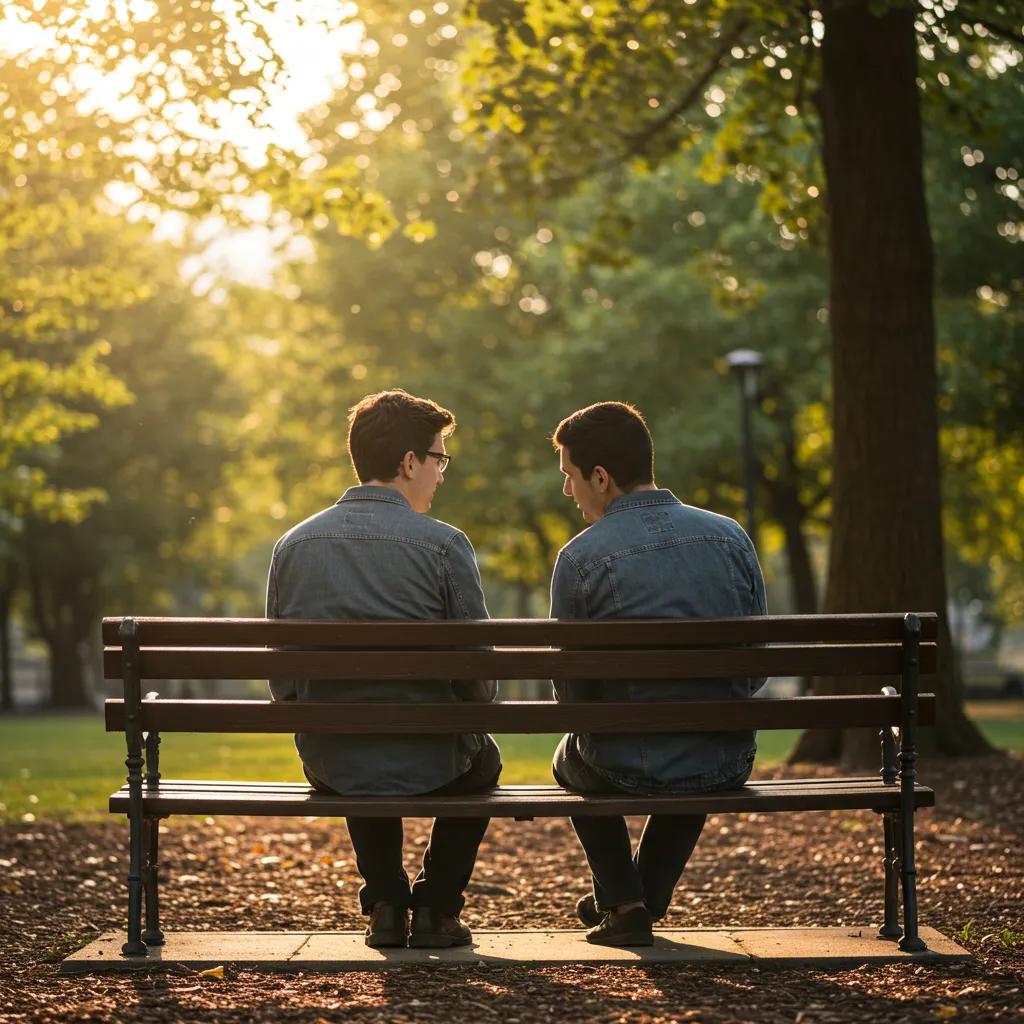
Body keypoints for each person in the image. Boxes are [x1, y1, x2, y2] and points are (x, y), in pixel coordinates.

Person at [266, 389, 500, 949]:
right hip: (436, 759)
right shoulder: (445, 545)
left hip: (333, 761)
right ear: (409, 462)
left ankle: (388, 903)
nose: (442, 473)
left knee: (353, 742)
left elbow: (283, 679)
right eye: (439, 458)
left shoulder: (294, 545)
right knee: (484, 760)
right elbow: (478, 676)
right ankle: (438, 908)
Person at [549, 401, 766, 946]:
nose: (568, 492)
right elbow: (757, 663)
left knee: (568, 759)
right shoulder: (730, 537)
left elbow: (573, 694)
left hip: (622, 761)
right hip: (723, 758)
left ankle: (626, 899)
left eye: (570, 478)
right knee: (698, 744)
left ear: (600, 476)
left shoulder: (580, 558)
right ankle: (641, 895)